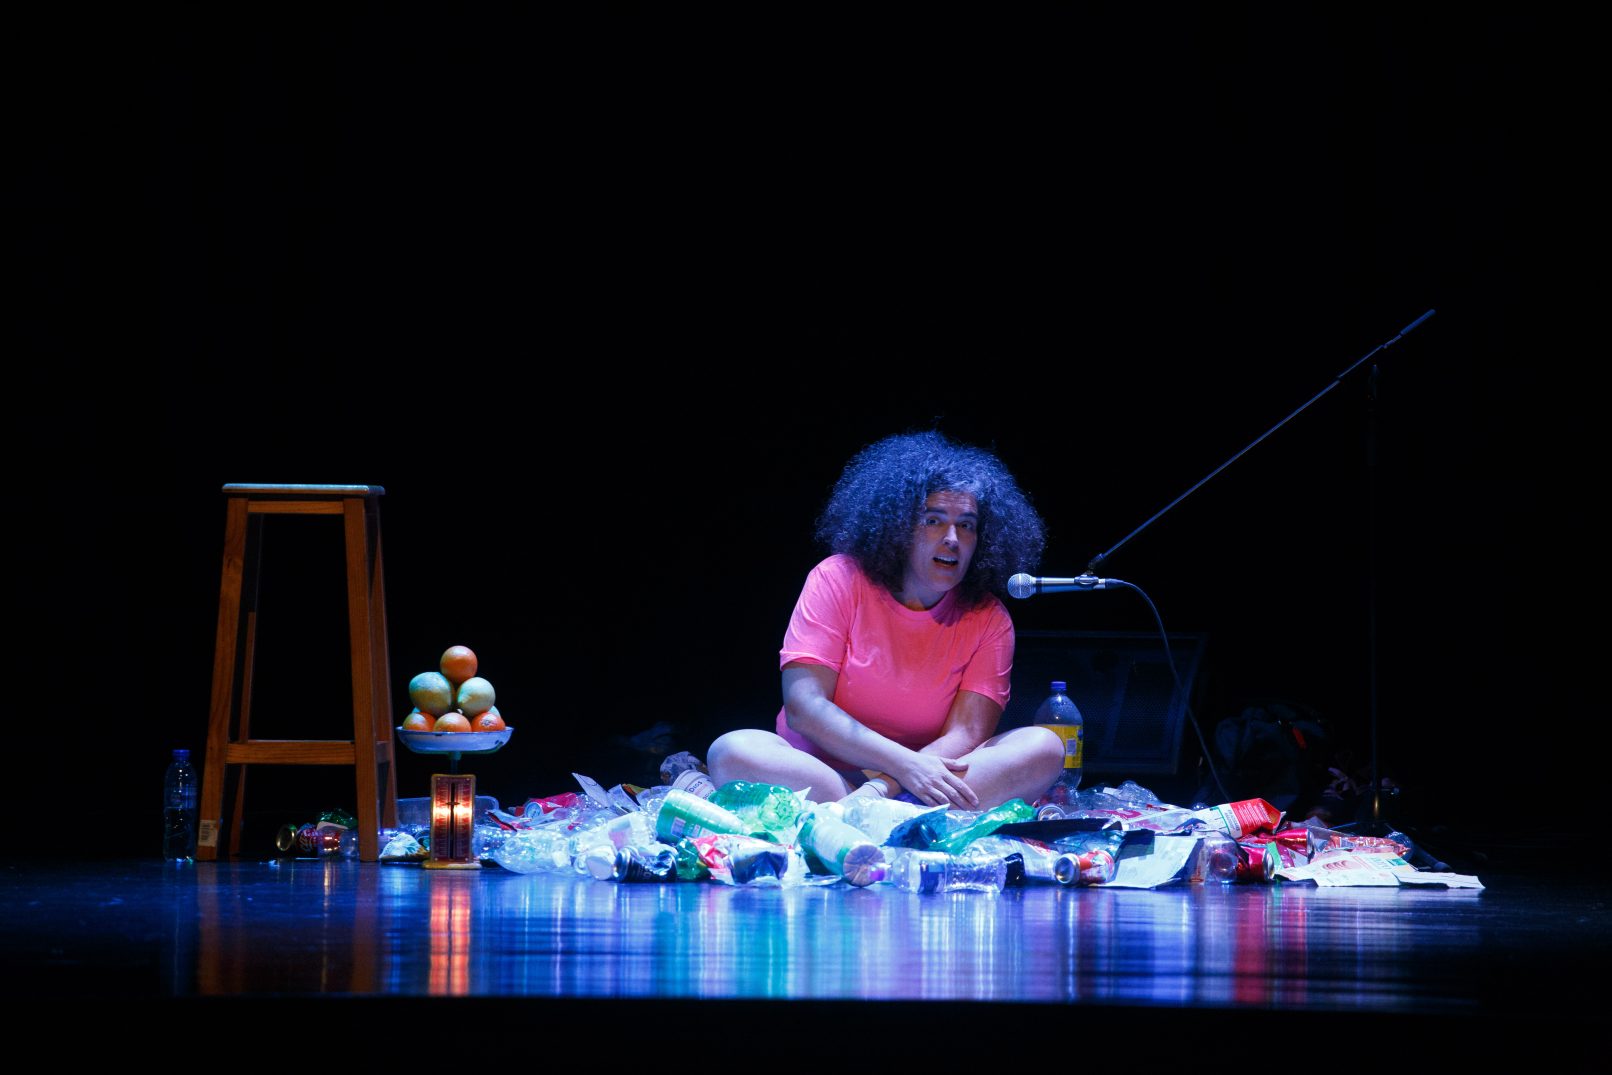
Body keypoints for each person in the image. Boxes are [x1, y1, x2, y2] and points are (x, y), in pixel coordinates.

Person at [707, 430, 1066, 811]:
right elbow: (804, 708)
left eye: (966, 525)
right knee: (733, 751)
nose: (952, 538)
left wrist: (886, 786)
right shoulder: (838, 579)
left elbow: (967, 733)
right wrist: (901, 765)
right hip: (823, 774)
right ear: (898, 527)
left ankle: (857, 816)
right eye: (933, 520)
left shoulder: (989, 619)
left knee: (1044, 747)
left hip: (921, 784)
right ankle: (897, 820)